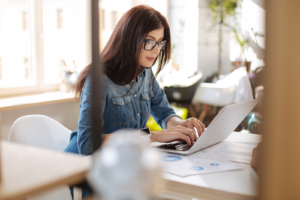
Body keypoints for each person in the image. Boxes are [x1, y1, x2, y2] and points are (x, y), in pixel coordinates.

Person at [64, 5, 205, 197]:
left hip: (125, 169)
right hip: (91, 174)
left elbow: (164, 112)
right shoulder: (99, 79)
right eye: (149, 41)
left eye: (159, 43)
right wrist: (153, 136)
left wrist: (181, 126)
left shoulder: (145, 73)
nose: (155, 50)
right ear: (130, 38)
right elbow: (88, 143)